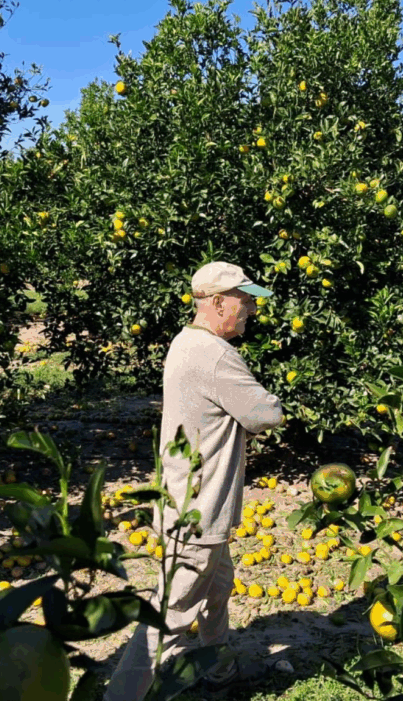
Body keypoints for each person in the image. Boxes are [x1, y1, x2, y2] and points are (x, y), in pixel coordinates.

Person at [104, 261, 283, 701]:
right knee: (173, 610)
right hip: (200, 508)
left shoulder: (185, 343)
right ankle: (120, 696)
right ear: (217, 302)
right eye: (245, 301)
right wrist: (269, 397)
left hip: (185, 496)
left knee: (218, 589)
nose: (251, 310)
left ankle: (219, 671)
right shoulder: (217, 356)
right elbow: (266, 414)